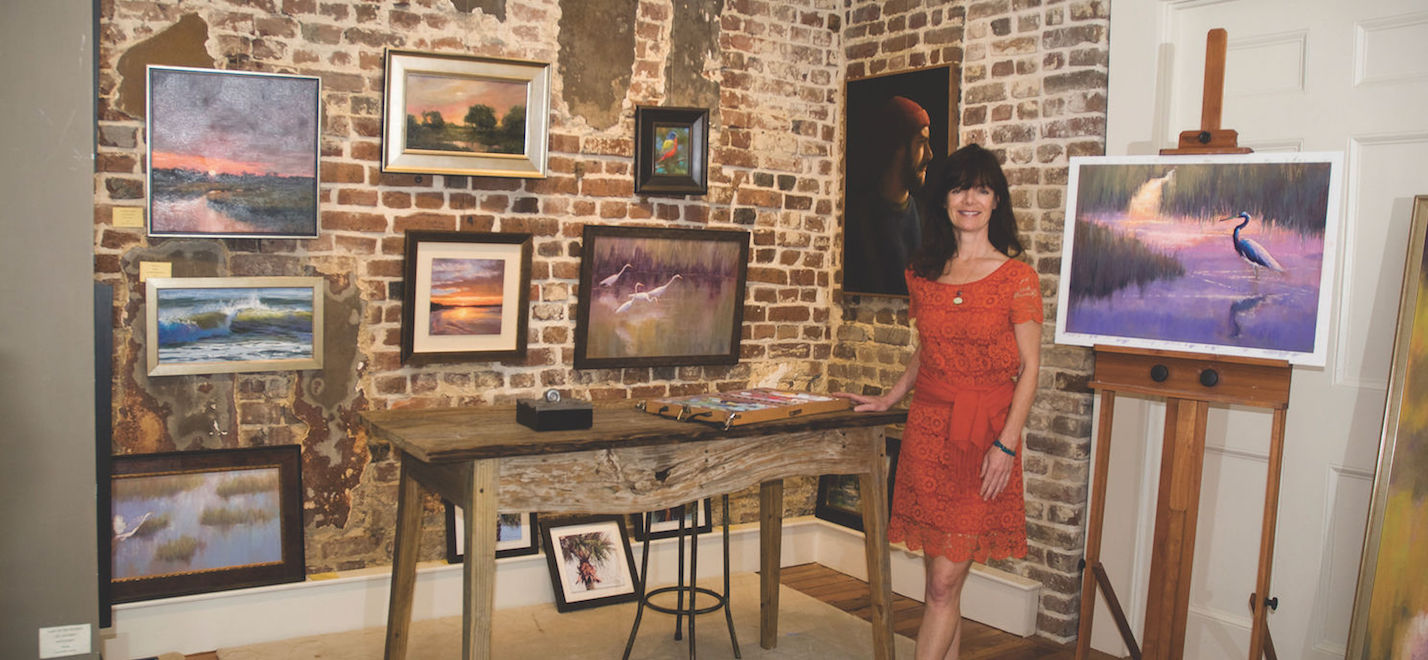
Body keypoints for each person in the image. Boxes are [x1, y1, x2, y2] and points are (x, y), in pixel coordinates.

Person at [836, 143, 1042, 660]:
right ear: (944, 199)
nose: (969, 200)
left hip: (984, 440)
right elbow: (929, 349)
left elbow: (1030, 368)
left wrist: (1007, 445)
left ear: (996, 201)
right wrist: (890, 397)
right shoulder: (925, 272)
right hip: (928, 433)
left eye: (981, 190)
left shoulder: (1017, 278)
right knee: (941, 584)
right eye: (958, 189)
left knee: (942, 586)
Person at [844, 95, 935, 296]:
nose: (929, 154)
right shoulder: (857, 221)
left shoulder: (928, 219)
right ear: (898, 147)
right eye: (921, 142)